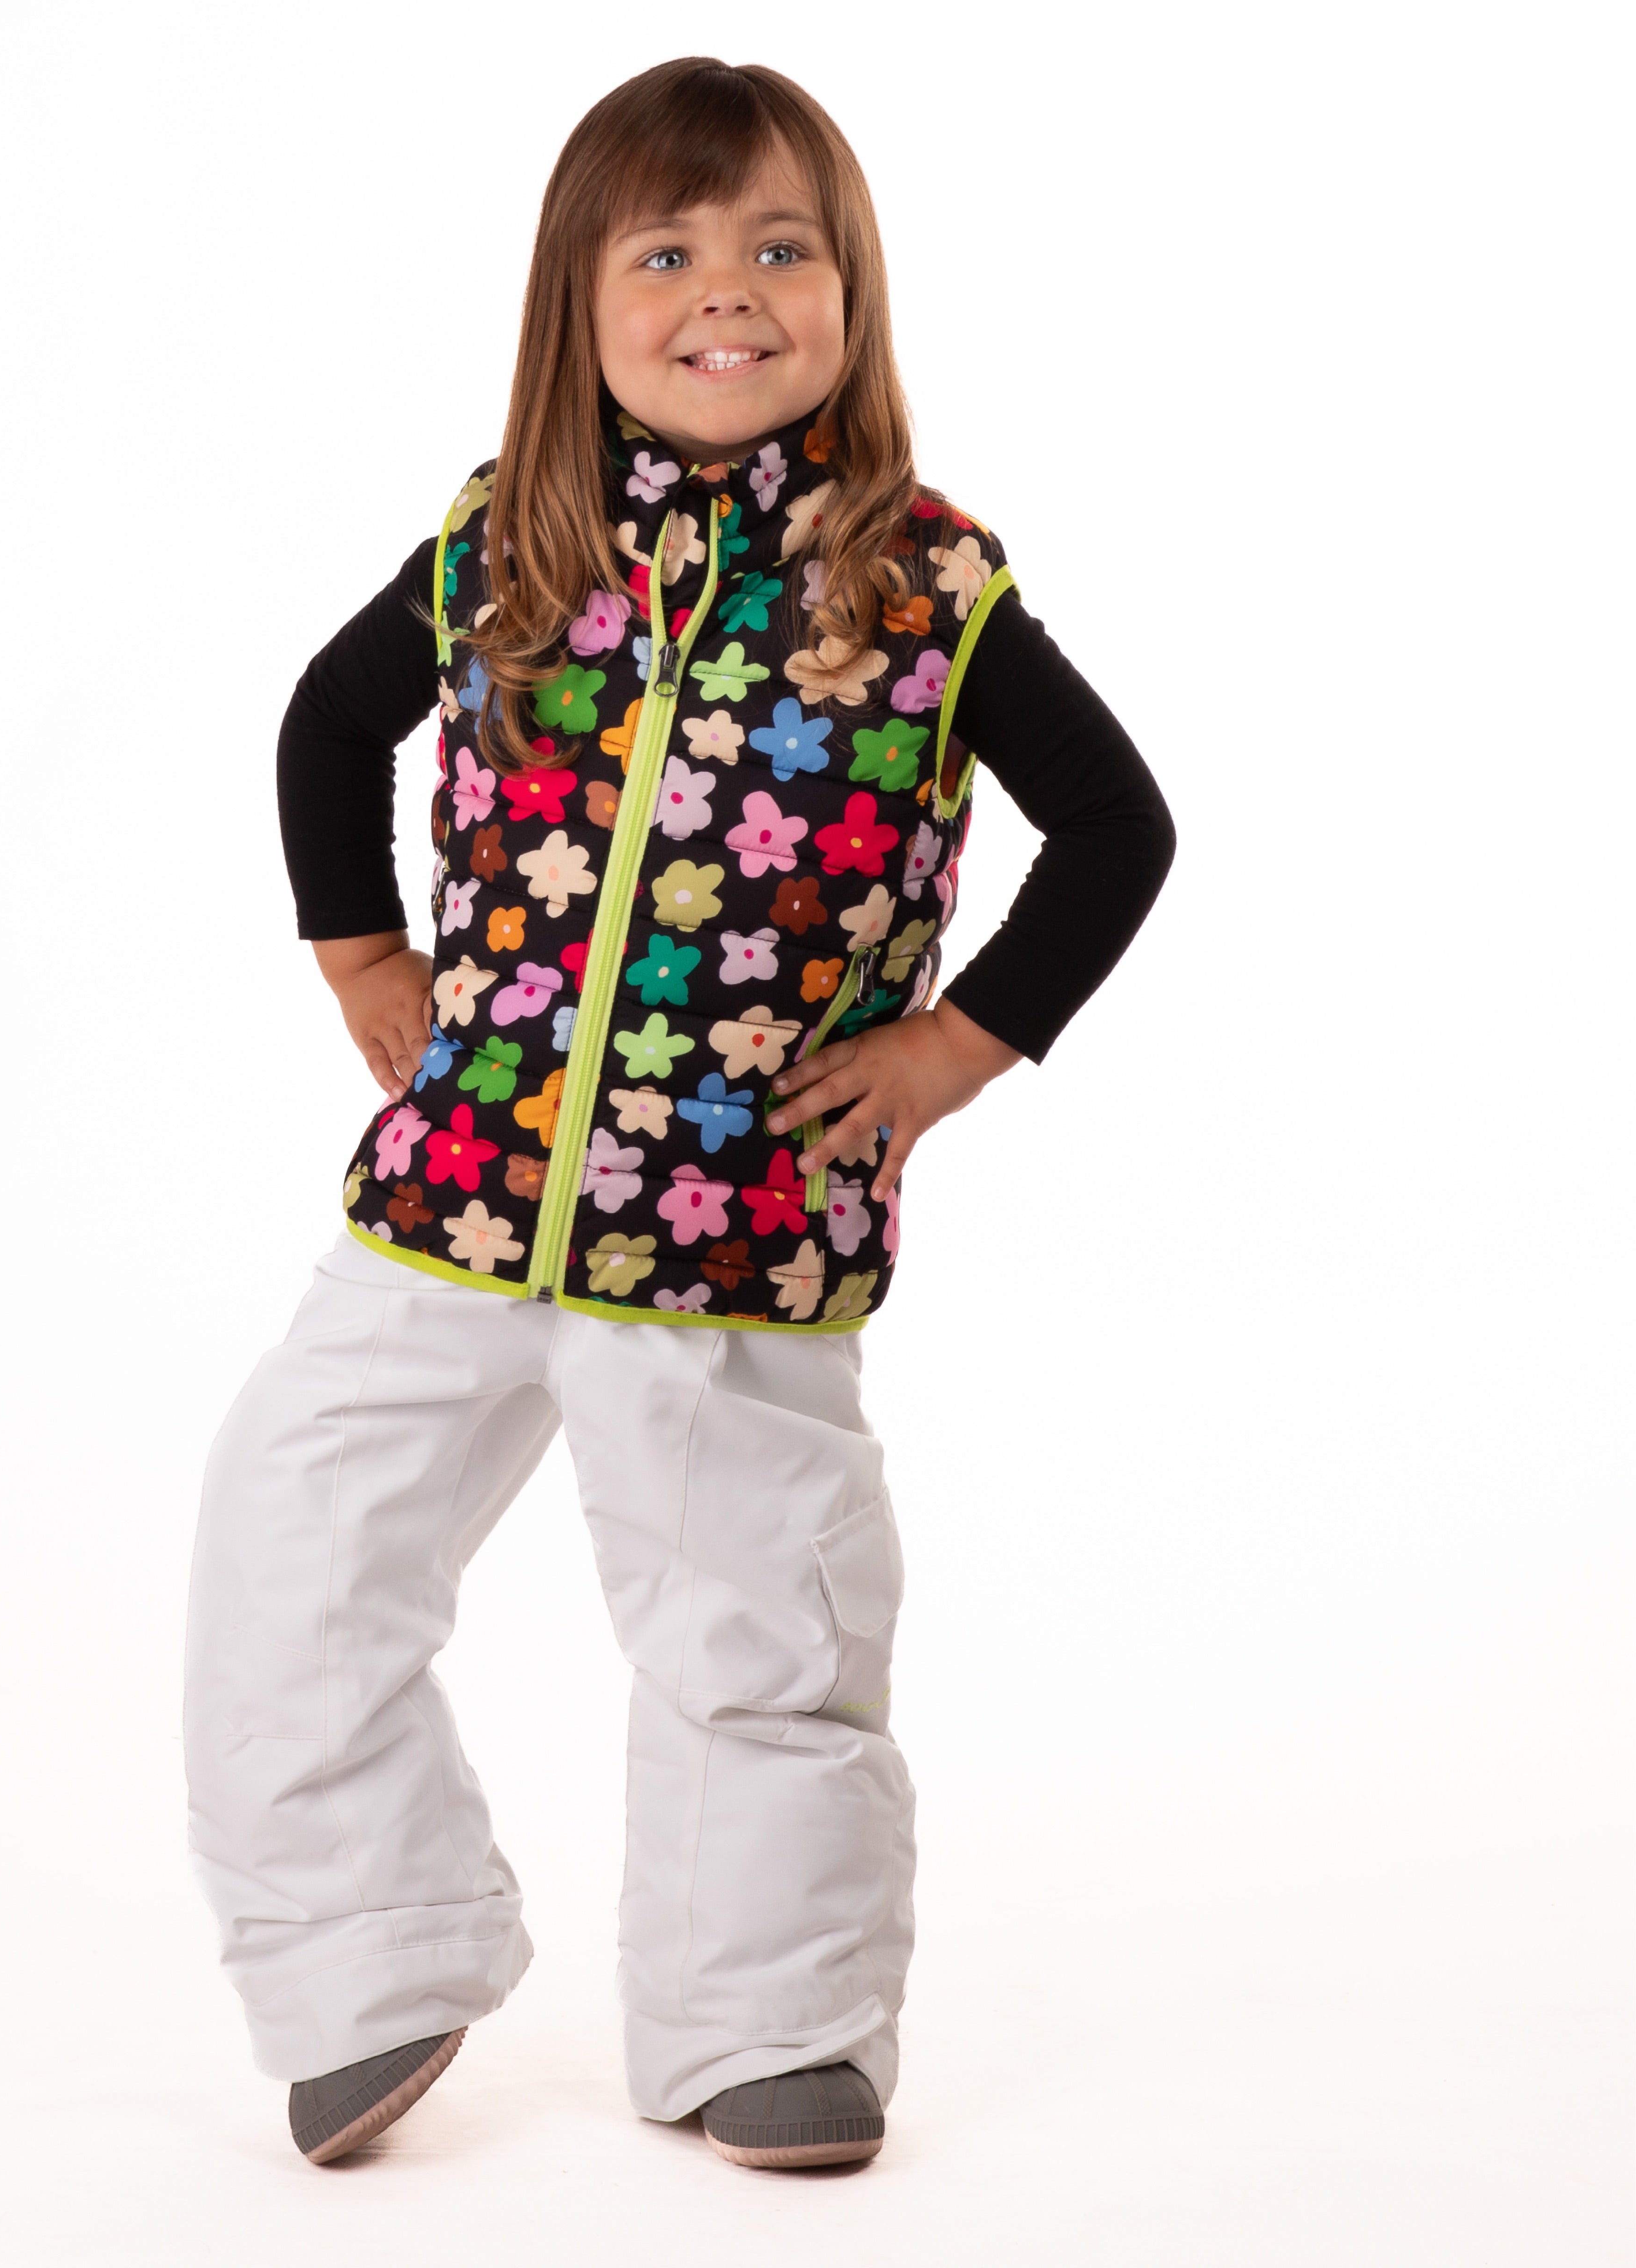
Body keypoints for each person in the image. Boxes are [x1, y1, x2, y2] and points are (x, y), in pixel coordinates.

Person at [184, 55, 1175, 2174]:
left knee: (760, 1628)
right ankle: (367, 1964)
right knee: (295, 1544)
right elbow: (323, 725)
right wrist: (362, 956)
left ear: (849, 291)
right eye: (669, 249)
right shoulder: (502, 552)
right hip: (452, 1196)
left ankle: (771, 2022)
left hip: (735, 1224)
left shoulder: (922, 587)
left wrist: (953, 1047)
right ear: (581, 299)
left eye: (778, 246)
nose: (728, 289)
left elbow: (1116, 826)